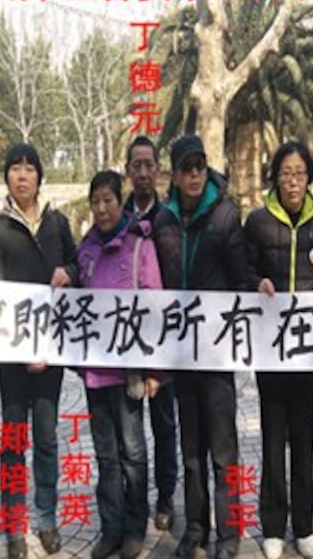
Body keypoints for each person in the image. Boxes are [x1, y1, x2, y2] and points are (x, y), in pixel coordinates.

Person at [0, 143, 79, 559]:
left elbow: (77, 268)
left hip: (51, 354)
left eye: (29, 168)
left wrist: (68, 273)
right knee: (13, 440)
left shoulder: (57, 223)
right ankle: (13, 523)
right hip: (14, 358)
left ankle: (47, 518)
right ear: (6, 177)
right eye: (14, 168)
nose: (22, 175)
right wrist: (22, 350)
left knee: (47, 438)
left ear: (40, 176)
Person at [153, 134, 247, 559]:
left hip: (217, 350)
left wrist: (257, 291)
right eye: (186, 167)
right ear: (173, 174)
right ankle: (196, 529)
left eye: (200, 166)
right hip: (180, 352)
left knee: (224, 448)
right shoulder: (162, 221)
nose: (194, 174)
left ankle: (230, 534)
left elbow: (241, 276)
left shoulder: (226, 216)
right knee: (190, 448)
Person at [244, 141, 313, 559]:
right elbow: (243, 268)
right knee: (273, 438)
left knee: (305, 436)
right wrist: (255, 282)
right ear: (274, 177)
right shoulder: (258, 222)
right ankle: (273, 526)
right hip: (269, 348)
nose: (293, 181)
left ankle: (305, 525)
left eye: (299, 173)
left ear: (308, 176)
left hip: (307, 350)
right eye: (285, 173)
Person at [77, 170, 163, 559]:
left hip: (129, 371)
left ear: (119, 201)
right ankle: (110, 529)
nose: (102, 208)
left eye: (108, 200)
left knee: (134, 453)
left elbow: (155, 307)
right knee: (106, 456)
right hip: (95, 373)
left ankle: (134, 527)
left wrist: (154, 370)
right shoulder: (86, 249)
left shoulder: (139, 246)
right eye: (95, 201)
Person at [123, 136, 178, 531]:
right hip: (124, 344)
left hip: (164, 340)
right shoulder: (113, 216)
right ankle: (134, 499)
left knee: (164, 425)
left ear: (158, 169)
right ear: (128, 170)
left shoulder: (170, 218)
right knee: (129, 432)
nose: (143, 172)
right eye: (136, 165)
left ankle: (165, 496)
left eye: (149, 164)